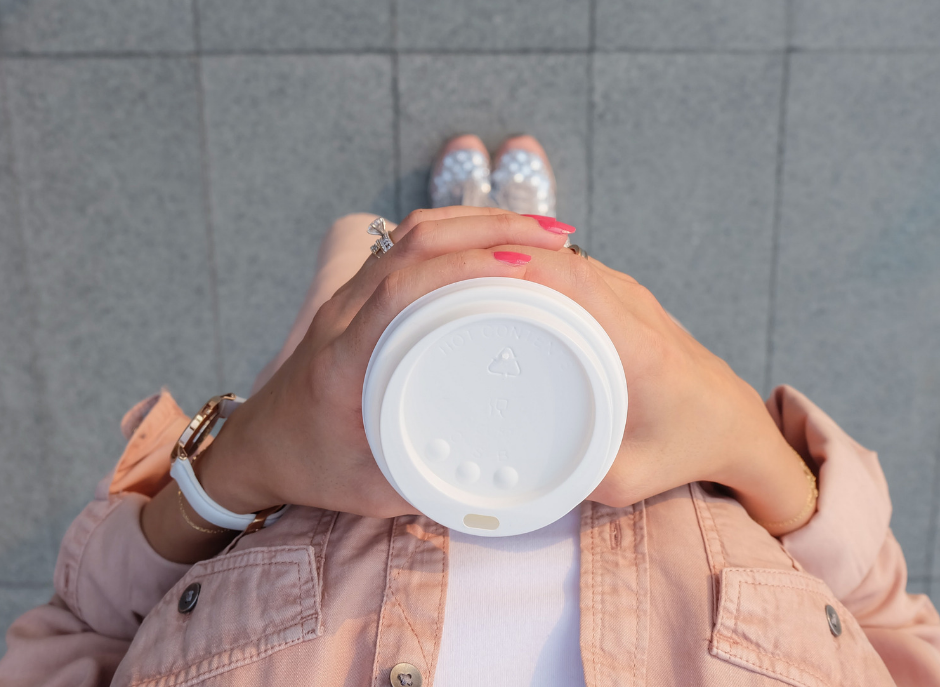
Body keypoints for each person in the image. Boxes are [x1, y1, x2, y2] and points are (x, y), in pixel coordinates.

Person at [2, 135, 939, 687]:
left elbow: (79, 635)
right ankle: (506, 224)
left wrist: (237, 465)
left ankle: (449, 228)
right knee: (537, 299)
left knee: (377, 279)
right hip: (612, 415)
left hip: (334, 439)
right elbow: (886, 625)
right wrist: (740, 429)